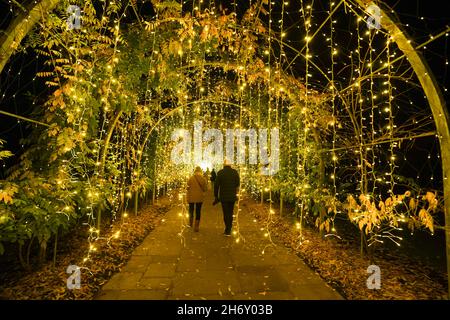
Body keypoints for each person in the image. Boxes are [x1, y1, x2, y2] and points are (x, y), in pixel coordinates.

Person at [214, 160, 240, 236]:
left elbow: (216, 185)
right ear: (230, 165)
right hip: (232, 196)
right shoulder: (234, 172)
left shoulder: (220, 173)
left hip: (223, 196)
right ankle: (229, 228)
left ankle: (227, 229)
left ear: (224, 164)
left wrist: (216, 196)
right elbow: (237, 183)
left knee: (225, 213)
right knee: (231, 212)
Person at [186, 166, 208, 232]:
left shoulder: (191, 178)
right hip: (199, 197)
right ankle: (196, 227)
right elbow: (205, 189)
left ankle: (190, 223)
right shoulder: (203, 179)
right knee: (198, 211)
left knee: (191, 210)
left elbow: (187, 187)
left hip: (191, 197)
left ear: (195, 171)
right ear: (200, 171)